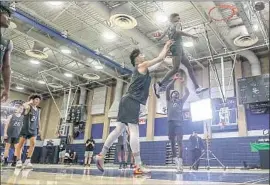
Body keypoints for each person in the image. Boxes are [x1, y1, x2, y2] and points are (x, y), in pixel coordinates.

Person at [94, 40, 173, 174]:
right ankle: (138, 165)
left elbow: (159, 62)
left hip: (127, 100)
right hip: (132, 101)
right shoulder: (141, 66)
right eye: (141, 54)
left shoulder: (144, 69)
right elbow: (159, 58)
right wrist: (166, 46)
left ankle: (101, 154)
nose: (143, 55)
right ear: (137, 59)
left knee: (118, 130)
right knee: (134, 130)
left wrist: (165, 55)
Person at [153, 13, 208, 98]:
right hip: (177, 47)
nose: (179, 19)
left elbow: (159, 38)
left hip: (179, 48)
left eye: (179, 18)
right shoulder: (177, 24)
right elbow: (178, 31)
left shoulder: (168, 26)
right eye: (177, 18)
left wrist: (156, 37)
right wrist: (192, 36)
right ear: (172, 18)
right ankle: (159, 84)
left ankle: (197, 87)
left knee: (189, 67)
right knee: (175, 69)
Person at [166, 70, 189, 173]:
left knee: (179, 141)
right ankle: (176, 160)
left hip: (179, 122)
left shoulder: (181, 101)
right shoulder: (168, 101)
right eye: (174, 93)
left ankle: (180, 162)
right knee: (171, 142)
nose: (175, 94)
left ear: (178, 96)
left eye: (177, 93)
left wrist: (183, 83)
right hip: (170, 122)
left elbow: (187, 93)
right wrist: (174, 80)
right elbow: (167, 88)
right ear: (171, 96)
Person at [15, 94, 42, 169]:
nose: (38, 101)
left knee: (33, 143)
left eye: (39, 100)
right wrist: (29, 102)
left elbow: (38, 119)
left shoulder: (38, 110)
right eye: (36, 99)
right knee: (20, 145)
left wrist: (39, 128)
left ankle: (28, 160)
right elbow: (24, 105)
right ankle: (18, 160)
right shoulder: (28, 107)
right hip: (25, 128)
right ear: (32, 99)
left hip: (33, 129)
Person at [0, 2, 14, 102]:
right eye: (7, 15)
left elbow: (6, 67)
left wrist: (6, 89)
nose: (9, 19)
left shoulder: (7, 43)